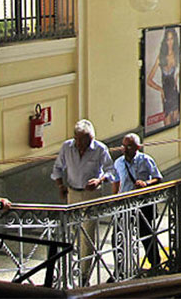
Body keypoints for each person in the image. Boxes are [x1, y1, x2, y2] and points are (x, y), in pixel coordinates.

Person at [50, 119, 115, 283]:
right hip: (73, 193)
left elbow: (111, 171)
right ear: (75, 138)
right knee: (73, 232)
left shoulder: (100, 149)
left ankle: (84, 274)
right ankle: (74, 266)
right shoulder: (67, 147)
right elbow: (57, 168)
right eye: (79, 141)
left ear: (91, 139)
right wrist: (60, 186)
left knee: (88, 234)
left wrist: (99, 180)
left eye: (86, 141)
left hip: (91, 195)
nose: (82, 145)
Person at [112, 133, 162, 268]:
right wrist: (114, 198)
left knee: (146, 235)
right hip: (125, 204)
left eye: (129, 146)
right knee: (118, 237)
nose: (125, 149)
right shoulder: (118, 162)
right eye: (123, 146)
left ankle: (155, 263)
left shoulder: (146, 160)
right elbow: (116, 181)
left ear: (137, 147)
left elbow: (158, 178)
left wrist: (146, 183)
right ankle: (120, 268)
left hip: (142, 204)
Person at [146, 27, 180, 128]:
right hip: (166, 95)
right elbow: (149, 80)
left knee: (175, 122)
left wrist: (177, 78)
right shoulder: (161, 57)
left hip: (174, 94)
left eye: (172, 39)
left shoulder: (176, 56)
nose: (170, 42)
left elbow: (177, 75)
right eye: (168, 39)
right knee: (167, 124)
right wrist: (160, 90)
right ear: (165, 41)